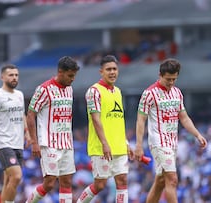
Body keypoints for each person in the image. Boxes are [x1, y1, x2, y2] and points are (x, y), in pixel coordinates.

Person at [134, 58, 208, 203]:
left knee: (161, 181)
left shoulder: (177, 93)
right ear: (160, 75)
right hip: (158, 142)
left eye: (174, 79)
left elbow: (184, 118)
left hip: (172, 142)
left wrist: (197, 134)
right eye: (168, 79)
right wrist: (138, 145)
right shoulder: (149, 94)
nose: (171, 82)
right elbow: (140, 120)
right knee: (172, 179)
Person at [76, 55, 132, 203]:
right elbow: (95, 119)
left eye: (114, 69)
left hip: (119, 145)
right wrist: (105, 143)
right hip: (101, 146)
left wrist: (125, 142)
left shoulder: (118, 91)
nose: (112, 72)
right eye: (108, 69)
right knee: (100, 184)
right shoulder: (94, 91)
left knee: (122, 180)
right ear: (101, 71)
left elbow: (118, 120)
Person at [25, 56, 79, 203]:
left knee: (66, 182)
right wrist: (34, 142)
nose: (72, 79)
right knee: (49, 183)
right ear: (60, 72)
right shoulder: (43, 89)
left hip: (67, 143)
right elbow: (30, 115)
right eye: (70, 76)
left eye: (74, 76)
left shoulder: (70, 89)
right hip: (49, 143)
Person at [0, 64, 30, 203]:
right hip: (4, 144)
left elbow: (22, 114)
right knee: (16, 176)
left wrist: (27, 133)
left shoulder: (19, 95)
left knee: (8, 180)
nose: (14, 78)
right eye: (11, 75)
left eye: (16, 75)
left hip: (18, 143)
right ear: (2, 77)